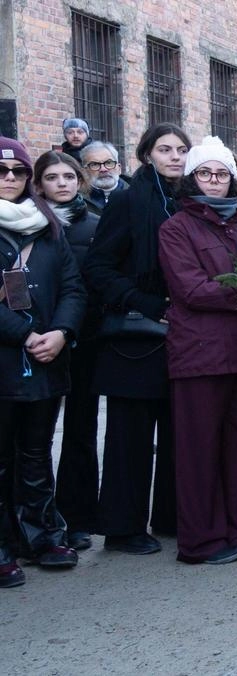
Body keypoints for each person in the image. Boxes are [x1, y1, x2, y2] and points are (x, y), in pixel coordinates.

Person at [157, 137, 237, 565]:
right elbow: (190, 289)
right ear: (192, 179)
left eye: (222, 174)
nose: (215, 181)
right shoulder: (176, 228)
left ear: (234, 180)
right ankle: (200, 541)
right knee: (199, 450)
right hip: (200, 356)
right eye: (205, 173)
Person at [83, 122, 191, 556]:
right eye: (165, 149)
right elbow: (98, 267)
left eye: (182, 149)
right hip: (135, 335)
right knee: (130, 436)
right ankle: (123, 527)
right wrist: (142, 300)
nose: (175, 157)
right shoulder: (128, 202)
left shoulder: (191, 202)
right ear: (147, 155)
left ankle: (170, 515)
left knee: (177, 431)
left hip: (182, 333)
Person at [0, 137, 87, 587]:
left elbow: (73, 287)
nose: (11, 179)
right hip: (6, 359)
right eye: (2, 172)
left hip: (47, 359)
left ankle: (42, 534)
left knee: (36, 452)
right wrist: (26, 334)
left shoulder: (46, 227)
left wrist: (61, 332)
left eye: (18, 172)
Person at [34, 151, 101, 551]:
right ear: (39, 184)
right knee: (34, 438)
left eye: (69, 176)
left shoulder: (95, 224)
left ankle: (78, 517)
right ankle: (35, 517)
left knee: (81, 430)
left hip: (84, 341)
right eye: (52, 177)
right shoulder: (26, 225)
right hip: (33, 343)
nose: (62, 183)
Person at [80, 142, 129, 214]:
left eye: (109, 163)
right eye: (95, 164)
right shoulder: (77, 201)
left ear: (119, 168)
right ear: (84, 172)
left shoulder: (137, 196)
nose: (103, 169)